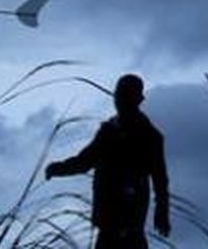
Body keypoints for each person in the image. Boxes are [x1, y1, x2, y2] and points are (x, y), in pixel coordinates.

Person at [45, 74, 171, 249]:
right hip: (107, 221)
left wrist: (162, 210)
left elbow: (160, 179)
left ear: (137, 99)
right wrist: (58, 169)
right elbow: (85, 161)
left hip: (130, 219)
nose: (119, 100)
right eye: (118, 94)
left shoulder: (150, 137)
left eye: (125, 95)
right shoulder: (108, 132)